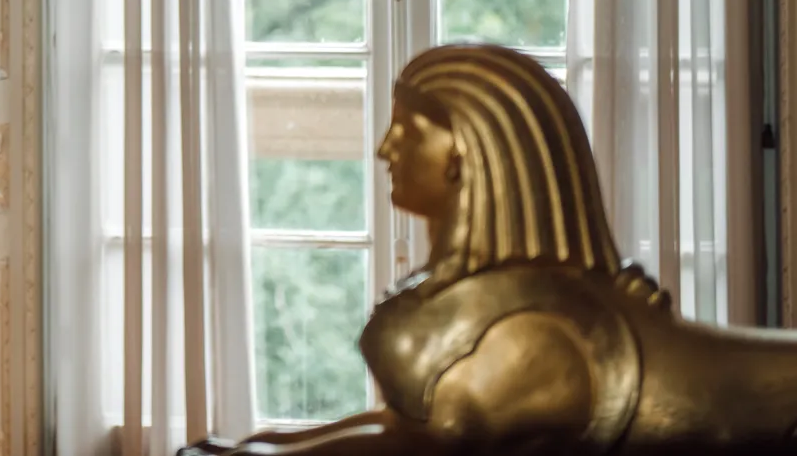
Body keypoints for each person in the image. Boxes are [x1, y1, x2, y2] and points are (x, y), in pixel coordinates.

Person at [191, 43, 797, 455]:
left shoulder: (533, 324)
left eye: (407, 128)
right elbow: (409, 428)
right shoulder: (484, 303)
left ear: (466, 150)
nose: (384, 148)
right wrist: (271, 442)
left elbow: (433, 444)